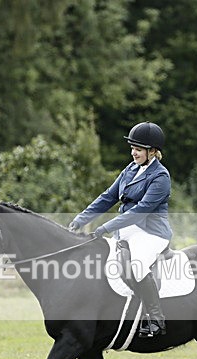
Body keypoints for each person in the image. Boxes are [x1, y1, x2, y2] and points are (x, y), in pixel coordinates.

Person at [69, 122, 171, 337]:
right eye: (132, 148)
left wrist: (104, 227)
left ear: (152, 151)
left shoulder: (161, 177)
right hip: (128, 231)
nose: (134, 153)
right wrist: (81, 219)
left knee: (138, 264)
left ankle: (156, 319)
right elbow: (108, 197)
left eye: (139, 149)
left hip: (152, 234)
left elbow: (140, 211)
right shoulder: (130, 169)